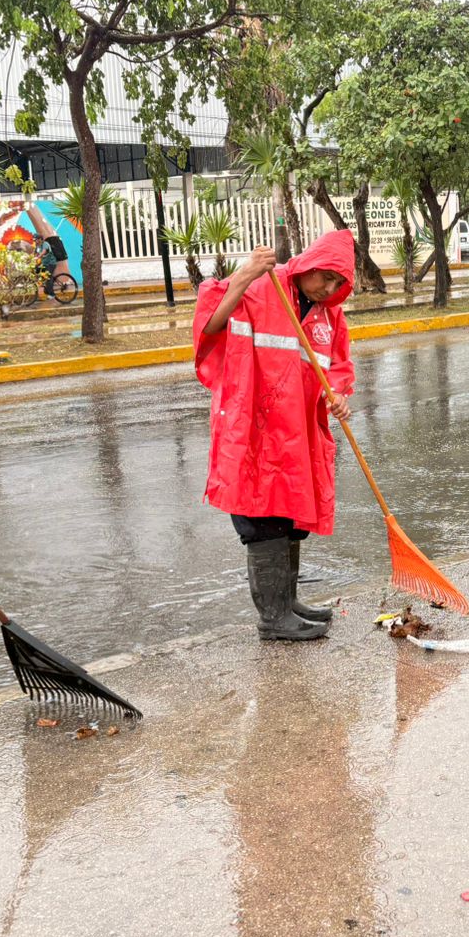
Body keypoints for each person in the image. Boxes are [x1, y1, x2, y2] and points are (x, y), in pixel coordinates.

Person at [193, 229, 356, 641]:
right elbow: (211, 325)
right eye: (326, 278)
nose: (329, 289)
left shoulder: (328, 315)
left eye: (339, 284)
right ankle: (272, 617)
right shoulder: (264, 285)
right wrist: (245, 275)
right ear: (308, 265)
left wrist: (336, 395)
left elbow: (336, 366)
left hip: (298, 432)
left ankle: (287, 603)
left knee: (289, 515)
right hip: (254, 427)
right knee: (261, 517)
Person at [25, 202, 70, 304]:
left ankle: (52, 294)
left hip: (51, 263)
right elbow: (35, 254)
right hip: (45, 262)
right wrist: (30, 259)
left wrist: (38, 257)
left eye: (36, 239)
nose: (35, 241)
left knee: (48, 276)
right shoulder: (38, 246)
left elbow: (43, 252)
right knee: (36, 270)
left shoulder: (45, 244)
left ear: (40, 239)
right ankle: (46, 288)